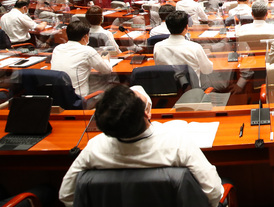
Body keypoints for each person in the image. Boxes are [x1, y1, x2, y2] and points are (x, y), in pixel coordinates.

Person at [59, 84, 224, 206]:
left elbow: (66, 195)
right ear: (146, 113)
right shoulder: (177, 143)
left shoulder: (94, 148)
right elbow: (214, 193)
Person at [50, 20, 112, 97]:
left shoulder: (57, 48)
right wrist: (105, 58)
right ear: (85, 37)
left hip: (58, 98)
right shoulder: (88, 51)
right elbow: (107, 70)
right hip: (79, 100)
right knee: (108, 85)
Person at [153, 11, 214, 87]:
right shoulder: (195, 47)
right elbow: (207, 70)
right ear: (186, 27)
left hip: (168, 90)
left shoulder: (158, 46)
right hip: (191, 92)